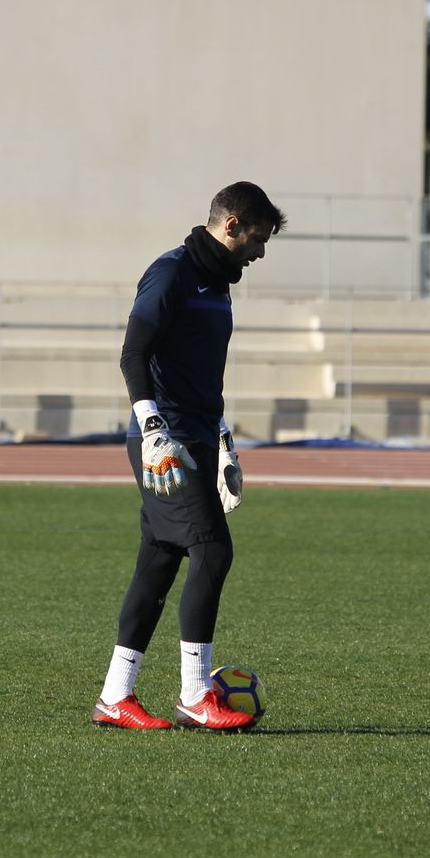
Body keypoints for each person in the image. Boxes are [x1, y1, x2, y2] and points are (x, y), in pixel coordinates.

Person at [91, 182, 286, 731]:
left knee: (159, 560)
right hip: (163, 440)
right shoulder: (171, 272)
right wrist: (152, 427)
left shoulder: (219, 283)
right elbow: (134, 353)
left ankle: (115, 696)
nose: (261, 251)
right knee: (212, 550)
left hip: (197, 436)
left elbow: (199, 373)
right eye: (257, 237)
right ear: (231, 225)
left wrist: (222, 438)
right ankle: (196, 693)